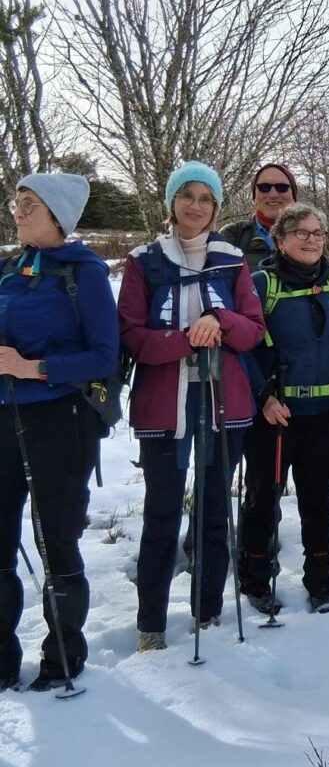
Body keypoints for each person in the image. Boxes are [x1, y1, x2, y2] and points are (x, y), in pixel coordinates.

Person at [118, 161, 265, 652]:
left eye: (205, 198)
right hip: (165, 405)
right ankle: (151, 625)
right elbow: (133, 337)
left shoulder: (232, 259)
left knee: (214, 512)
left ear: (216, 207)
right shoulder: (144, 262)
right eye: (187, 196)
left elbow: (253, 329)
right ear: (172, 203)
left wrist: (218, 319)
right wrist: (186, 339)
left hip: (225, 402)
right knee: (161, 515)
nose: (196, 206)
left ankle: (208, 612)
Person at [0, 173, 118, 690]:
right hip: (4, 418)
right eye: (16, 202)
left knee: (57, 541)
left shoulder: (85, 272)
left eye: (30, 205)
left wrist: (36, 368)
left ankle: (63, 657)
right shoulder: (7, 270)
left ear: (58, 215)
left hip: (61, 420)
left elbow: (104, 356)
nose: (18, 212)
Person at [238, 203, 329, 614]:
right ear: (281, 239)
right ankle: (255, 577)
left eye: (318, 233)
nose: (311, 240)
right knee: (262, 500)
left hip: (323, 413)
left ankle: (322, 582)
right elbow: (244, 348)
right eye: (302, 233)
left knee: (317, 499)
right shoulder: (260, 283)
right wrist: (263, 397)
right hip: (275, 415)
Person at [220, 163, 299, 271]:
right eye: (264, 187)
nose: (273, 194)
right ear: (254, 197)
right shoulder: (233, 234)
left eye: (282, 187)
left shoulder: (312, 236)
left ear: (293, 197)